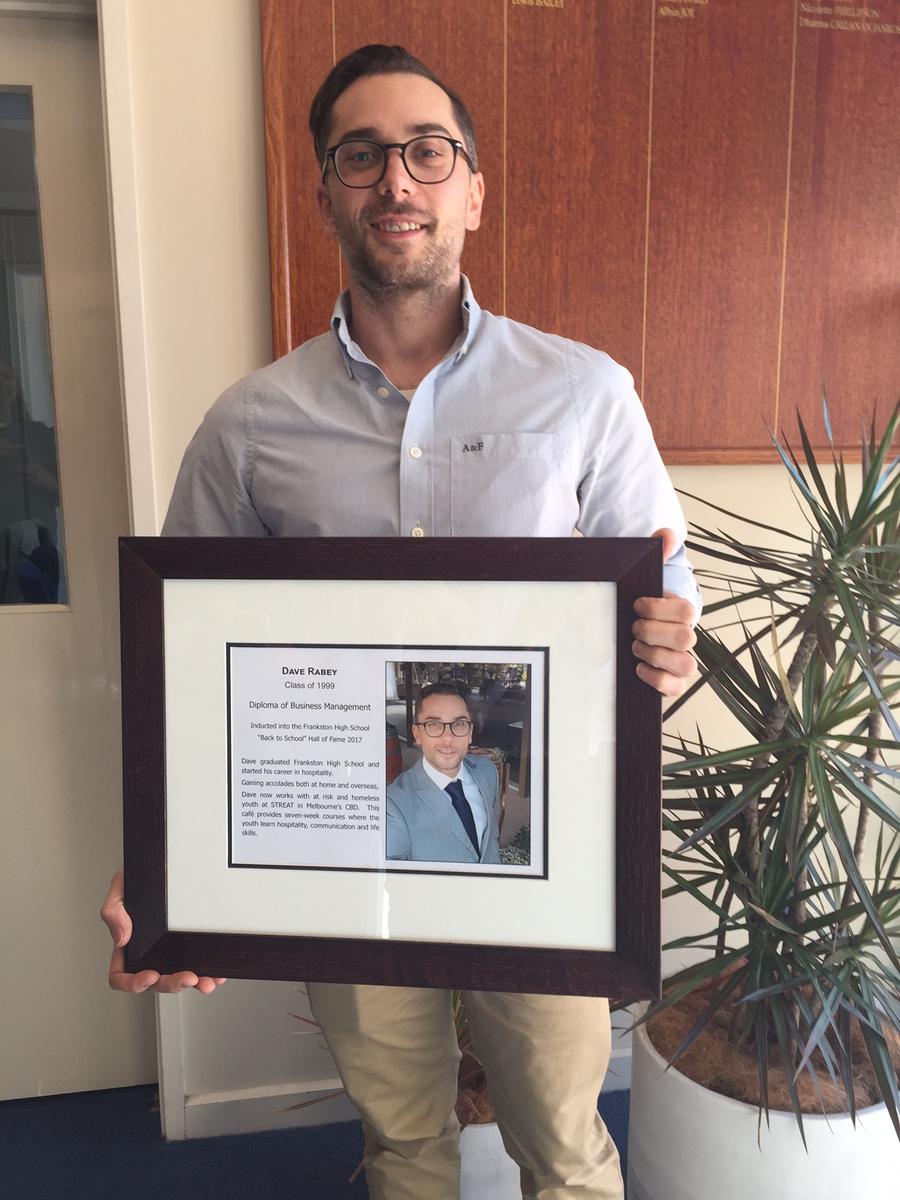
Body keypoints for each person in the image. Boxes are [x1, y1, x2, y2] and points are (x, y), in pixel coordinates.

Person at [102, 44, 701, 1200]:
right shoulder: (249, 424)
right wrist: (161, 863)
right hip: (340, 849)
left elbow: (668, 594)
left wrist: (669, 645)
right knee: (401, 1144)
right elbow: (186, 663)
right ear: (327, 190)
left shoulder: (585, 394)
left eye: (429, 152)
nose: (396, 179)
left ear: (472, 191)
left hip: (546, 856)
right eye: (362, 154)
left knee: (565, 1149)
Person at [386, 682, 501, 864]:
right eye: (434, 725)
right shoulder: (393, 805)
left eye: (459, 724)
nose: (448, 738)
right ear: (417, 734)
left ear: (470, 732)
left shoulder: (488, 772)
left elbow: (492, 840)